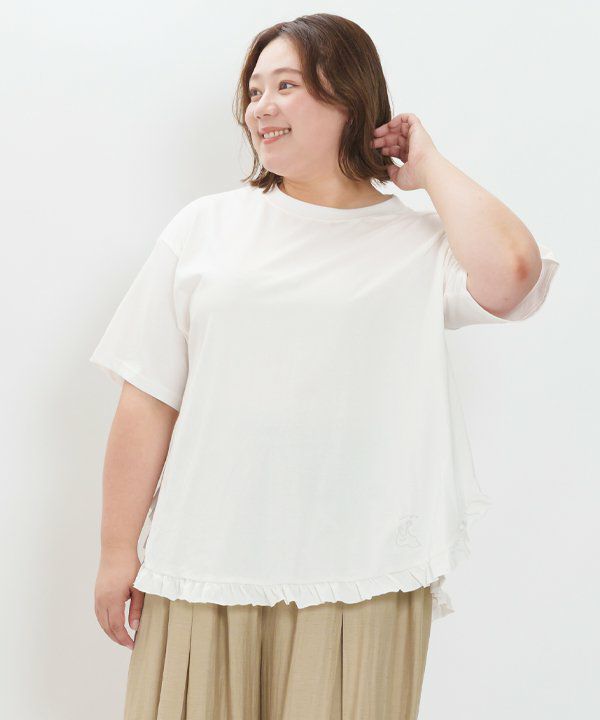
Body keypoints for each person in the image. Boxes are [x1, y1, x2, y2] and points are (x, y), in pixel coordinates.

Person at [89, 13, 560, 720]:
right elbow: (148, 397)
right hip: (203, 563)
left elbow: (514, 273)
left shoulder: (418, 242)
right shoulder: (205, 228)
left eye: (287, 86)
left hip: (361, 575)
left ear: (349, 99)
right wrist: (116, 551)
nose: (262, 107)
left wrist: (428, 168)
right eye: (254, 90)